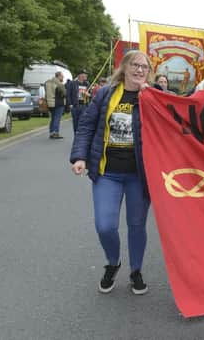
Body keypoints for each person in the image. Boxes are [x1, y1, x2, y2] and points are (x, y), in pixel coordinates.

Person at [70, 50, 153, 295]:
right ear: (124, 67)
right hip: (107, 173)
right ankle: (113, 262)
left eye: (144, 67)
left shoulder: (153, 96)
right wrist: (79, 156)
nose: (139, 70)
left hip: (139, 175)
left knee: (137, 225)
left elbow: (177, 116)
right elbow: (86, 125)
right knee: (105, 225)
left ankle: (136, 270)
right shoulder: (106, 94)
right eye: (135, 65)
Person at [44, 71, 66, 139]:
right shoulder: (59, 83)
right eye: (62, 76)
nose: (63, 77)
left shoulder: (47, 82)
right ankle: (55, 133)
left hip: (50, 102)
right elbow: (64, 93)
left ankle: (51, 132)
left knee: (53, 118)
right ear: (58, 76)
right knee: (57, 118)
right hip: (58, 102)